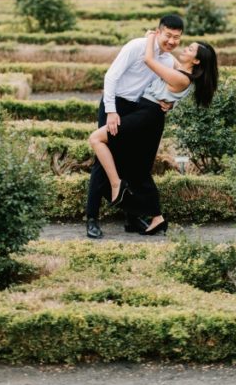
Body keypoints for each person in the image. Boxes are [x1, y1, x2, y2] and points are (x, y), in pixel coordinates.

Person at [88, 31, 219, 236]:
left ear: (196, 60)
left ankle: (116, 184)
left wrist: (151, 37)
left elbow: (149, 59)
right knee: (138, 168)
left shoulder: (180, 77)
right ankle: (156, 217)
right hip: (146, 114)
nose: (184, 47)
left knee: (96, 138)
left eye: (190, 49)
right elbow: (169, 59)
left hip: (146, 116)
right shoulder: (180, 70)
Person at [85, 14, 184, 239]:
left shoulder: (167, 61)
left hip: (137, 111)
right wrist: (111, 110)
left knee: (129, 161)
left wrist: (170, 104)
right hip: (115, 104)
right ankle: (92, 218)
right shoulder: (136, 46)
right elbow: (111, 77)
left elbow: (168, 90)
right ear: (158, 32)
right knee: (103, 160)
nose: (171, 41)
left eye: (176, 38)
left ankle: (131, 217)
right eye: (168, 35)